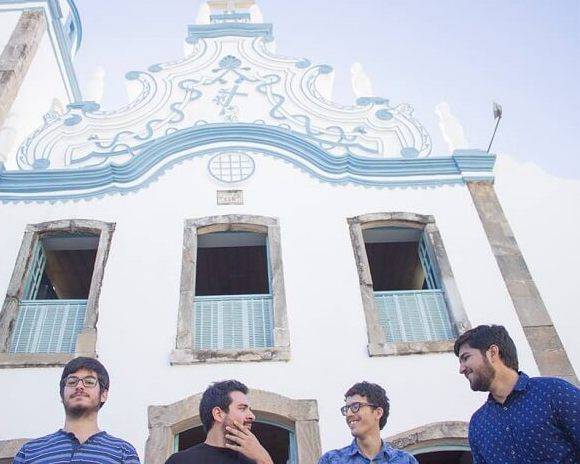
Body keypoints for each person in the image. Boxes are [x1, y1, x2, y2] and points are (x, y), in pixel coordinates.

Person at [455, 324, 580, 463]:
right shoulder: (478, 424)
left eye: (466, 358)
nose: (461, 369)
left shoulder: (554, 392)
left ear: (492, 353)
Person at [13, 356, 140, 463]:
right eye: (72, 382)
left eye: (89, 382)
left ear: (103, 395)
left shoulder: (124, 453)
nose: (79, 386)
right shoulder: (29, 452)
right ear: (62, 394)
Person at [165, 380, 273, 464]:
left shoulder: (255, 460)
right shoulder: (181, 461)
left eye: (249, 410)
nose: (252, 416)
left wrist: (264, 459)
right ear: (218, 414)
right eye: (242, 408)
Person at [318, 381, 418, 464]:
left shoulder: (406, 461)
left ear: (378, 413)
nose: (348, 414)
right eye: (346, 408)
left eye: (355, 406)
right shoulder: (331, 460)